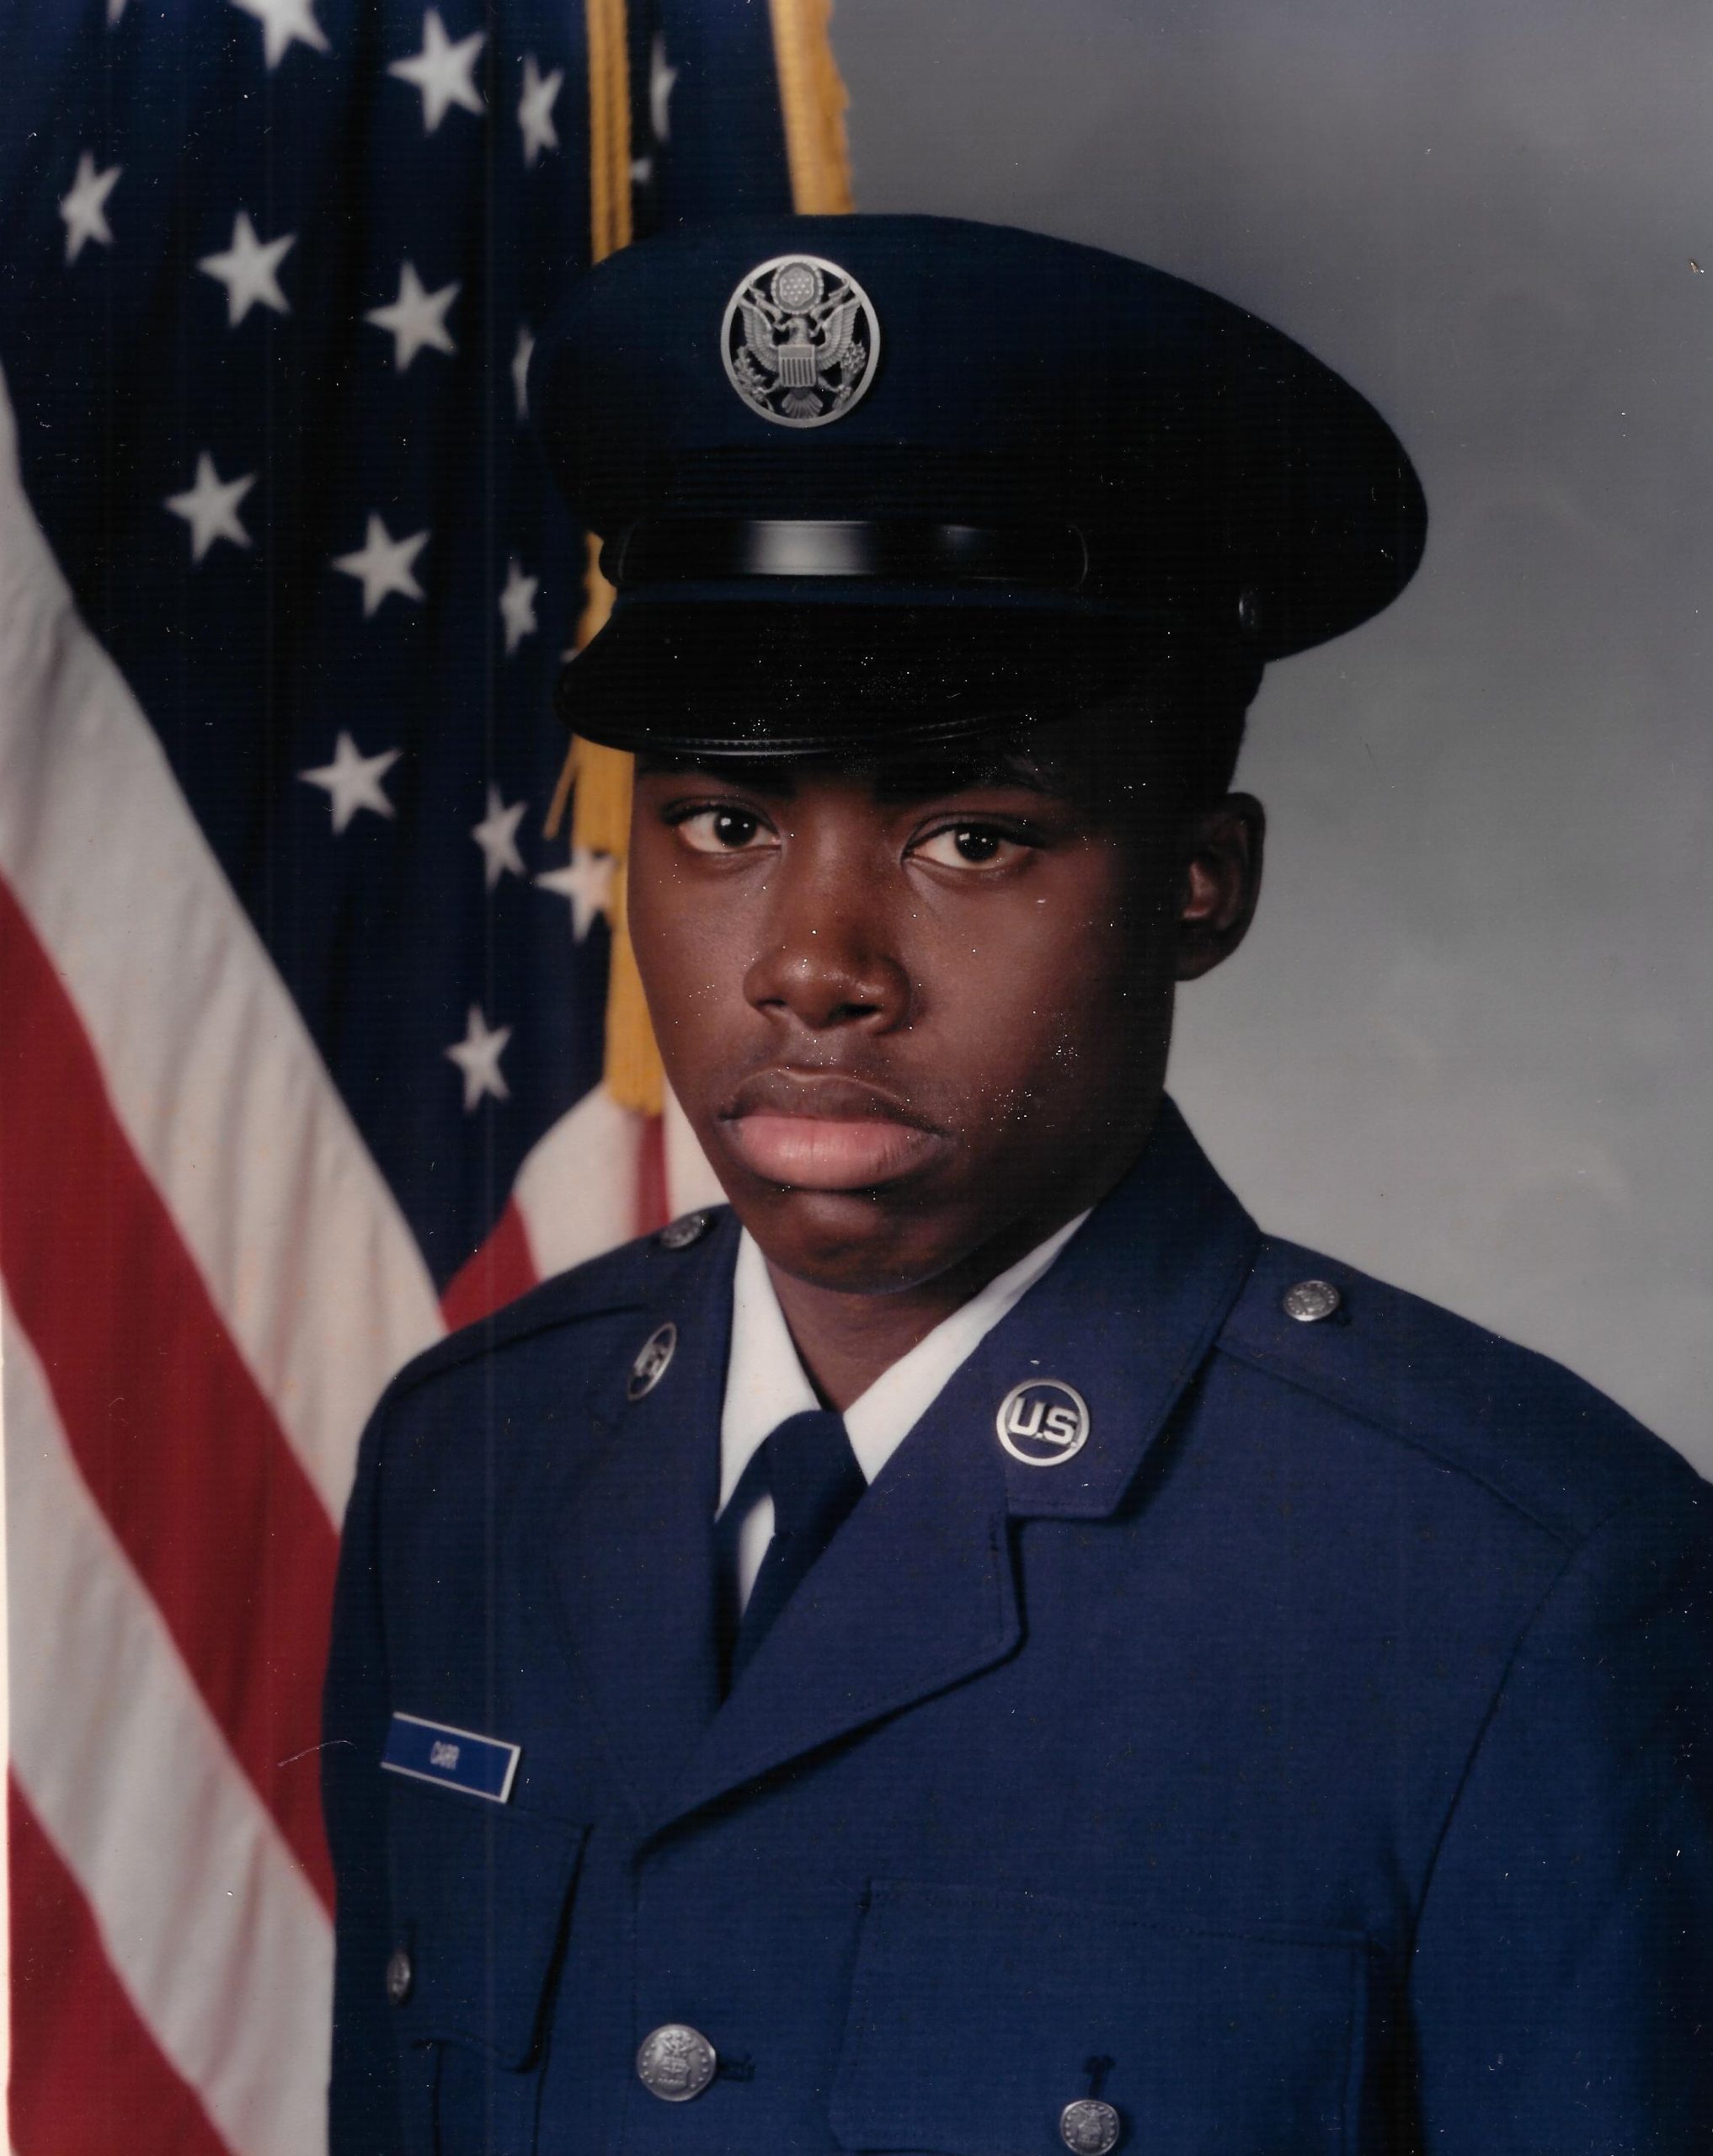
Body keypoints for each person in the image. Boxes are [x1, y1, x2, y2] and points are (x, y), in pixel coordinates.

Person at [322, 216, 1713, 2155]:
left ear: (1200, 882)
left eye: (971, 835)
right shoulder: (470, 1459)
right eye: (723, 817)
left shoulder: (1523, 1586)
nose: (815, 961)